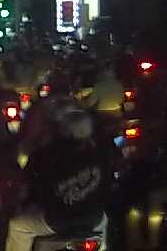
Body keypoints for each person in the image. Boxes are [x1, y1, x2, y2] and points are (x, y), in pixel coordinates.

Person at [6, 108, 111, 251]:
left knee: (18, 226)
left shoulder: (47, 154)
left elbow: (30, 183)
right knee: (103, 221)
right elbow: (107, 183)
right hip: (93, 218)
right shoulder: (99, 153)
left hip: (57, 219)